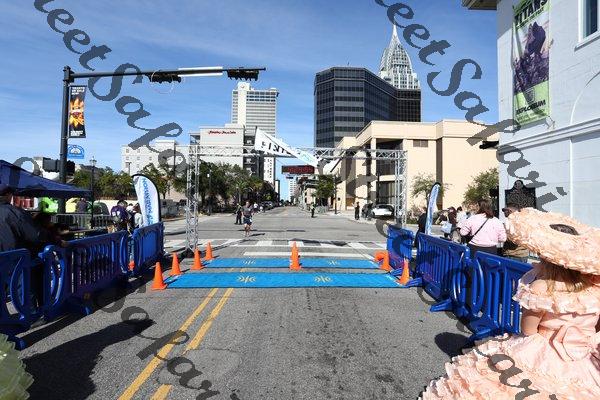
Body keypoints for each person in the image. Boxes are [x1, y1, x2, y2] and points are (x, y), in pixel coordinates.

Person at [421, 208, 600, 399]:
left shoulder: (542, 287)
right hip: (583, 359)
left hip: (541, 350)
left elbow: (528, 329)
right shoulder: (595, 288)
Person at [0, 184, 48, 253]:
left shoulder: (15, 212)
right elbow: (35, 236)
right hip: (15, 257)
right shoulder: (16, 212)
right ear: (8, 195)